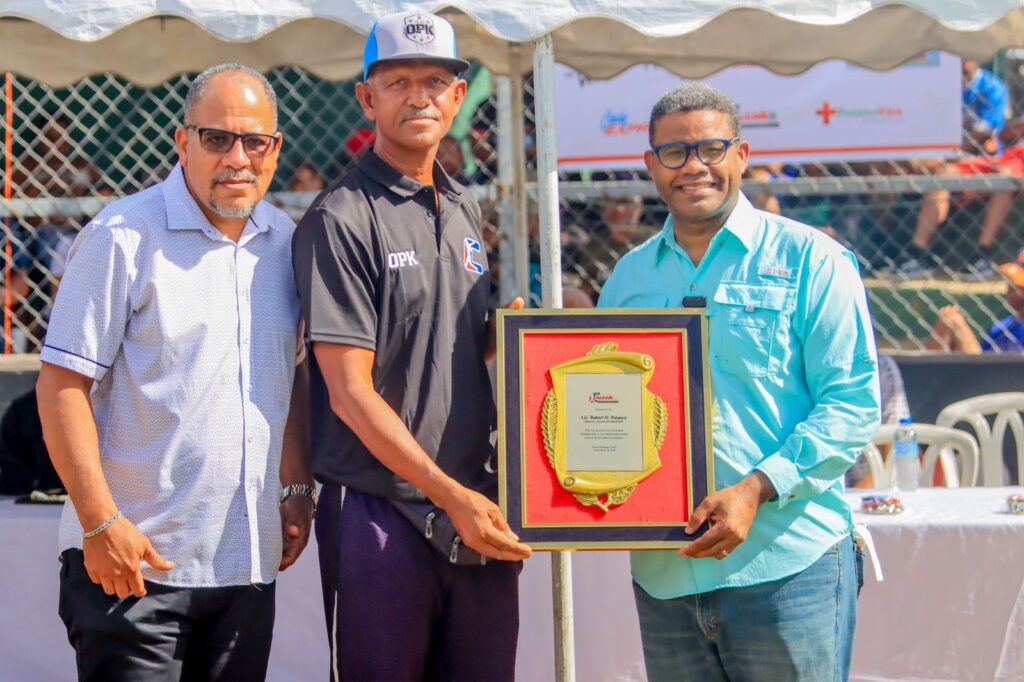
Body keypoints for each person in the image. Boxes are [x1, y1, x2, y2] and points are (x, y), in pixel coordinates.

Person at [36, 63, 313, 681]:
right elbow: (61, 387)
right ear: (183, 142)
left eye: (254, 141)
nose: (237, 158)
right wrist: (101, 523)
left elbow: (289, 378)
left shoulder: (285, 243)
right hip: (134, 573)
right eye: (217, 139)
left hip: (245, 570)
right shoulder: (121, 237)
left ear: (275, 150)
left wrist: (295, 487)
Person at [598, 83, 880, 681]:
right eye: (674, 153)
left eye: (711, 149)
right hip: (666, 574)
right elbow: (603, 410)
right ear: (651, 164)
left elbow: (852, 403)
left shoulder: (812, 260)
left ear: (742, 155)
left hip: (786, 569)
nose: (693, 167)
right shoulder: (627, 278)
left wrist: (756, 488)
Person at [291, 11, 531, 682]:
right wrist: (449, 494)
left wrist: (516, 340)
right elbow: (349, 392)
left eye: (434, 82)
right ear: (367, 98)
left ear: (458, 97)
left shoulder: (463, 206)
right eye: (398, 82)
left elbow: (443, 345)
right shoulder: (340, 217)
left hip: (475, 497)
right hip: (381, 506)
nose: (418, 97)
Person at [900, 60, 1014, 280]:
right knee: (932, 175)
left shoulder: (991, 87)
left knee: (999, 179)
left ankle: (981, 256)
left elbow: (982, 137)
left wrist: (941, 155)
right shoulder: (943, 84)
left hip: (985, 160)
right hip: (952, 158)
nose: (961, 59)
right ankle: (917, 254)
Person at [929, 250, 1024, 352]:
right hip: (989, 362)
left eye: (1017, 287)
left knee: (952, 320)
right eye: (1010, 285)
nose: (1009, 290)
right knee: (949, 318)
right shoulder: (1002, 327)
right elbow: (982, 357)